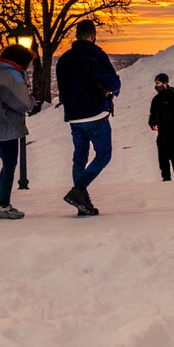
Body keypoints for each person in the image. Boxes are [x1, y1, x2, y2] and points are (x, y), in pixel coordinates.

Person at [56, 19, 121, 217]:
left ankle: (82, 202)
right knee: (103, 154)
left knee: (79, 159)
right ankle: (79, 191)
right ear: (93, 35)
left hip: (74, 117)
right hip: (95, 113)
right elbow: (113, 82)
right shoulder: (96, 54)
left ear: (77, 35)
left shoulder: (64, 59)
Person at [0, 44, 36, 220]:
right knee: (10, 165)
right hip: (6, 127)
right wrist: (32, 101)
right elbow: (22, 104)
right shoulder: (12, 76)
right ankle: (4, 206)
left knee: (6, 164)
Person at [148, 73, 174, 181]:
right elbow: (152, 115)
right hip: (162, 134)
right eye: (156, 83)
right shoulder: (156, 99)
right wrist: (152, 124)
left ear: (165, 83)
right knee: (162, 158)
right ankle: (166, 180)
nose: (156, 86)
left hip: (173, 132)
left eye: (158, 83)